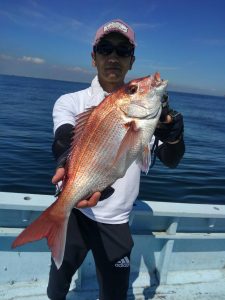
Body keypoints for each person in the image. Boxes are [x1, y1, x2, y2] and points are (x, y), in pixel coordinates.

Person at [47, 19, 185, 300]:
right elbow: (64, 138)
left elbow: (171, 159)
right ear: (93, 56)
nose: (113, 56)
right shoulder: (70, 101)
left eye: (122, 51)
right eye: (105, 48)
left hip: (117, 220)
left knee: (114, 294)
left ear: (131, 61)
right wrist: (64, 158)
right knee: (56, 287)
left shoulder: (147, 116)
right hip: (74, 212)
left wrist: (173, 135)